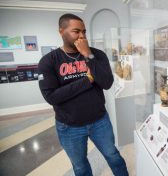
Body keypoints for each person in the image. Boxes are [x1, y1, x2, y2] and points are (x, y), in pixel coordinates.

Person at [38, 13, 128, 176]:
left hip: (100, 121)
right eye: (76, 31)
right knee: (80, 167)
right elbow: (52, 97)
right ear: (61, 31)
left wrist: (88, 56)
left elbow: (106, 83)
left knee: (113, 156)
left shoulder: (97, 55)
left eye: (84, 32)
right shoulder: (48, 61)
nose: (82, 36)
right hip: (69, 126)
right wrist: (87, 80)